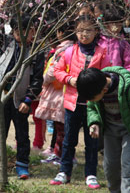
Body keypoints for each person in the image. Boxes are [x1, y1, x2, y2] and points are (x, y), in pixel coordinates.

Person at [50, 14, 106, 189]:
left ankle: (90, 174)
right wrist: (69, 79)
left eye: (89, 30)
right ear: (75, 32)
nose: (84, 35)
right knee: (69, 140)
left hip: (92, 105)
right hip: (72, 104)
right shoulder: (69, 51)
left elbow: (107, 73)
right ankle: (64, 172)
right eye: (81, 31)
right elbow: (57, 70)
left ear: (96, 32)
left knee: (92, 142)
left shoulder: (101, 52)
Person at [78, 67, 130, 192]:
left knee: (128, 167)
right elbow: (92, 107)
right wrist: (94, 123)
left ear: (104, 90)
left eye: (92, 98)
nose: (90, 101)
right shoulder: (96, 88)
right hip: (110, 133)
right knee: (110, 168)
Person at [0, 15, 45, 180]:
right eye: (17, 30)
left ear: (33, 32)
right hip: (1, 97)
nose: (21, 34)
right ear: (12, 31)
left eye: (27, 31)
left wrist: (28, 100)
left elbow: (37, 79)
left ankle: (22, 165)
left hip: (20, 100)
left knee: (22, 134)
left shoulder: (36, 51)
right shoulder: (5, 43)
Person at [36, 21, 75, 165]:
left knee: (62, 128)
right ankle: (60, 153)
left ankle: (63, 155)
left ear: (60, 32)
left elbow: (53, 71)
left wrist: (45, 79)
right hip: (67, 90)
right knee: (63, 127)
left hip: (60, 92)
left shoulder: (63, 49)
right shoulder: (74, 48)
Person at [99, 7, 130, 81]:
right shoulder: (98, 41)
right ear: (105, 23)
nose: (117, 27)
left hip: (118, 81)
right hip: (100, 81)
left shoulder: (123, 43)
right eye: (114, 24)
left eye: (119, 25)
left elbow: (129, 65)